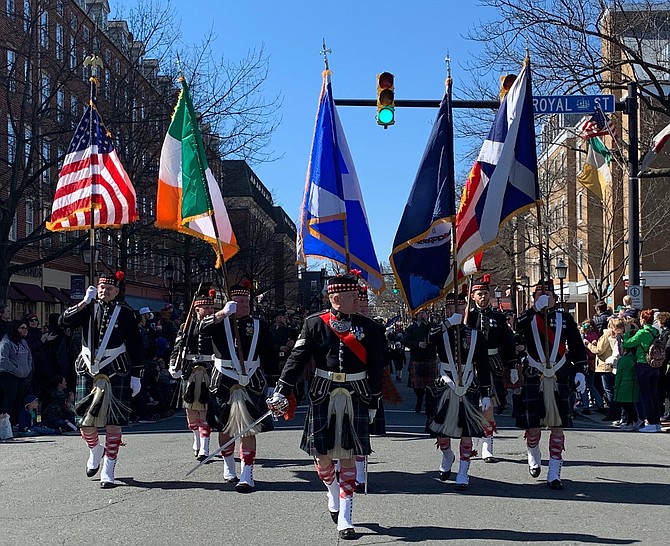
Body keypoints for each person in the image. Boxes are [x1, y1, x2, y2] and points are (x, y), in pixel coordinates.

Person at [268, 273, 385, 540]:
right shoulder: (314, 324)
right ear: (335, 298)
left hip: (357, 394)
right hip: (323, 394)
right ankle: (332, 492)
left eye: (357, 295)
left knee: (347, 455)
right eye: (351, 296)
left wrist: (374, 400)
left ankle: (346, 515)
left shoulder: (371, 328)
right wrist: (282, 390)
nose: (357, 299)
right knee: (321, 457)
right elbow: (297, 360)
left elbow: (376, 368)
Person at [59, 271, 144, 488]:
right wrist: (83, 302)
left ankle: (109, 467)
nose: (104, 291)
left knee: (113, 423)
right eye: (101, 287)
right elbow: (63, 322)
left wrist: (136, 375)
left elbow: (136, 345)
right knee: (85, 422)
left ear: (116, 291)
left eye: (109, 289)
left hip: (116, 369)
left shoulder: (126, 313)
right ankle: (95, 449)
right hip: (88, 369)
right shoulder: (87, 307)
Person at [200, 281, 276, 492]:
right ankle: (229, 465)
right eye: (238, 301)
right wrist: (222, 313)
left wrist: (271, 383)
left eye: (246, 301)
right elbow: (201, 328)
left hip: (251, 379)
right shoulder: (217, 322)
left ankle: (247, 473)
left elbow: (269, 355)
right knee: (224, 427)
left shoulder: (260, 325)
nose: (243, 305)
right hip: (223, 379)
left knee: (249, 429)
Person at [514, 280, 587, 490]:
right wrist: (535, 310)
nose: (544, 298)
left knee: (557, 426)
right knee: (533, 425)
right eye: (539, 295)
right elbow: (518, 329)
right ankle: (533, 452)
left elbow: (576, 345)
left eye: (548, 295)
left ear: (555, 298)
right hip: (534, 375)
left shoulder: (565, 318)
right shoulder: (528, 318)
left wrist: (580, 371)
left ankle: (554, 471)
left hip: (559, 375)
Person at [426, 293, 491, 490]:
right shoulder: (440, 330)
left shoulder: (475, 333)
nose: (456, 312)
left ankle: (463, 471)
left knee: (467, 431)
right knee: (441, 431)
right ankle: (447, 455)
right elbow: (429, 339)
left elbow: (483, 363)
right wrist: (447, 323)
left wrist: (486, 392)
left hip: (468, 383)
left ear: (465, 311)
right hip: (445, 382)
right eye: (451, 309)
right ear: (446, 310)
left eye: (460, 309)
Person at [466, 274, 517, 463]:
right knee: (471, 404)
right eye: (479, 293)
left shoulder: (498, 317)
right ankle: (472, 442)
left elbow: (508, 342)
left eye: (486, 293)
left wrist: (512, 365)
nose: (483, 297)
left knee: (488, 406)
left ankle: (487, 445)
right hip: (471, 365)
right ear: (473, 296)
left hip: (492, 363)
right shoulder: (467, 317)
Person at [169, 292, 217, 461]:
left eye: (212, 307)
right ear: (197, 309)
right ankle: (196, 438)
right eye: (206, 308)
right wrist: (173, 364)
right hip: (190, 369)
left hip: (209, 369)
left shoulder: (217, 325)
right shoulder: (186, 326)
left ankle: (205, 446)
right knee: (190, 410)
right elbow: (177, 346)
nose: (210, 310)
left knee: (204, 408)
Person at [622, 309, 662, 432]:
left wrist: (627, 332)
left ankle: (650, 422)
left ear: (643, 320)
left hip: (643, 364)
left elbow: (627, 344)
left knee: (645, 395)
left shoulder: (641, 333)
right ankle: (656, 422)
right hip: (655, 365)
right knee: (654, 394)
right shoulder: (655, 331)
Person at [585, 317, 624, 422]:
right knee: (612, 390)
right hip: (613, 365)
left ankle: (613, 413)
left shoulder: (607, 335)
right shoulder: (618, 336)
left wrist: (588, 344)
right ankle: (617, 412)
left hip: (605, 366)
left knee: (609, 391)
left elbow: (599, 350)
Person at [0, 320, 34, 440]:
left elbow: (29, 356)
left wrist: (28, 368)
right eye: (22, 328)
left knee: (19, 400)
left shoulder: (23, 342)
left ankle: (15, 423)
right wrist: (17, 370)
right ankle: (5, 425)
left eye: (26, 328)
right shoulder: (6, 342)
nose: (25, 330)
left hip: (23, 376)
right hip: (8, 374)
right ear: (15, 329)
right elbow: (3, 359)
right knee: (10, 398)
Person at [404, 309, 437, 413]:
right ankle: (419, 399)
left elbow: (436, 337)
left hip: (429, 358)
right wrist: (417, 344)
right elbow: (406, 341)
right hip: (416, 358)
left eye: (423, 313)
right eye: (419, 313)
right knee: (417, 387)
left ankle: (429, 405)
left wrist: (427, 323)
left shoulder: (432, 326)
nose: (421, 315)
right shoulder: (411, 328)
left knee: (430, 386)